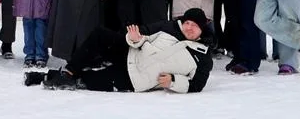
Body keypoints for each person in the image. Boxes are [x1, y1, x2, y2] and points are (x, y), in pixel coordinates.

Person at [30, 9, 214, 94]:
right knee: (100, 34)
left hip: (136, 78)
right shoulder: (169, 27)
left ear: (202, 30)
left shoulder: (203, 56)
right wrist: (133, 38)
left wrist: (174, 81)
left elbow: (197, 84)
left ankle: (47, 77)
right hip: (131, 52)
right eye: (187, 23)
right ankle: (69, 71)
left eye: (195, 26)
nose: (189, 28)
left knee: (91, 81)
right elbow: (142, 32)